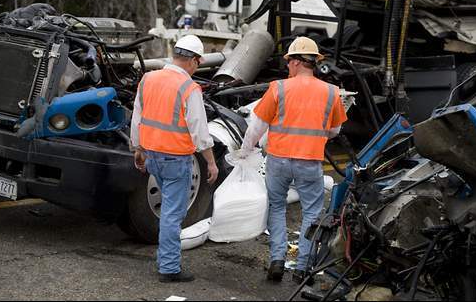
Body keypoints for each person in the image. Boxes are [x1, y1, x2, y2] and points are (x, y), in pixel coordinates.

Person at [239, 36, 348, 283]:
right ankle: (302, 268)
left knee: (276, 206)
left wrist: (245, 152)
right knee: (311, 213)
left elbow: (256, 128)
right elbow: (335, 131)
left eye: (289, 61)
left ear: (298, 62)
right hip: (309, 161)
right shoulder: (331, 92)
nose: (287, 66)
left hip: (278, 160)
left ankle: (277, 260)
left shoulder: (277, 88)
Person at [130, 34, 219, 283]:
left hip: (153, 157)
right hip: (176, 159)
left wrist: (138, 149)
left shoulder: (148, 79)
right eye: (198, 63)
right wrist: (211, 162)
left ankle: (165, 259)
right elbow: (200, 131)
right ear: (194, 60)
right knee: (172, 214)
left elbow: (138, 117)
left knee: (168, 212)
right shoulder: (189, 88)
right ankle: (169, 268)